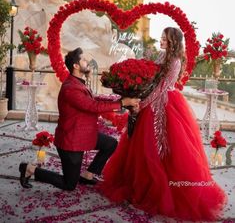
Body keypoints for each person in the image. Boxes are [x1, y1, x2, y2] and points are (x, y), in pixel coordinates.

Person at [98, 27, 227, 221]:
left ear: (173, 41)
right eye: (161, 38)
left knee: (164, 149)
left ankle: (166, 190)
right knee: (141, 148)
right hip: (151, 101)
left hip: (165, 105)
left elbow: (161, 89)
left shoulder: (175, 61)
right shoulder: (161, 55)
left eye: (165, 39)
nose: (162, 41)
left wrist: (142, 104)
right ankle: (137, 184)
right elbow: (150, 79)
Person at [19, 47, 139, 190]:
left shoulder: (78, 83)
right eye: (83, 60)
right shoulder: (70, 87)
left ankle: (88, 174)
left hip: (84, 134)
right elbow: (92, 106)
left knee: (110, 144)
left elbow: (93, 100)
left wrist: (118, 98)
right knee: (69, 185)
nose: (87, 62)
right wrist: (122, 103)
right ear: (76, 66)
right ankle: (29, 169)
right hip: (71, 141)